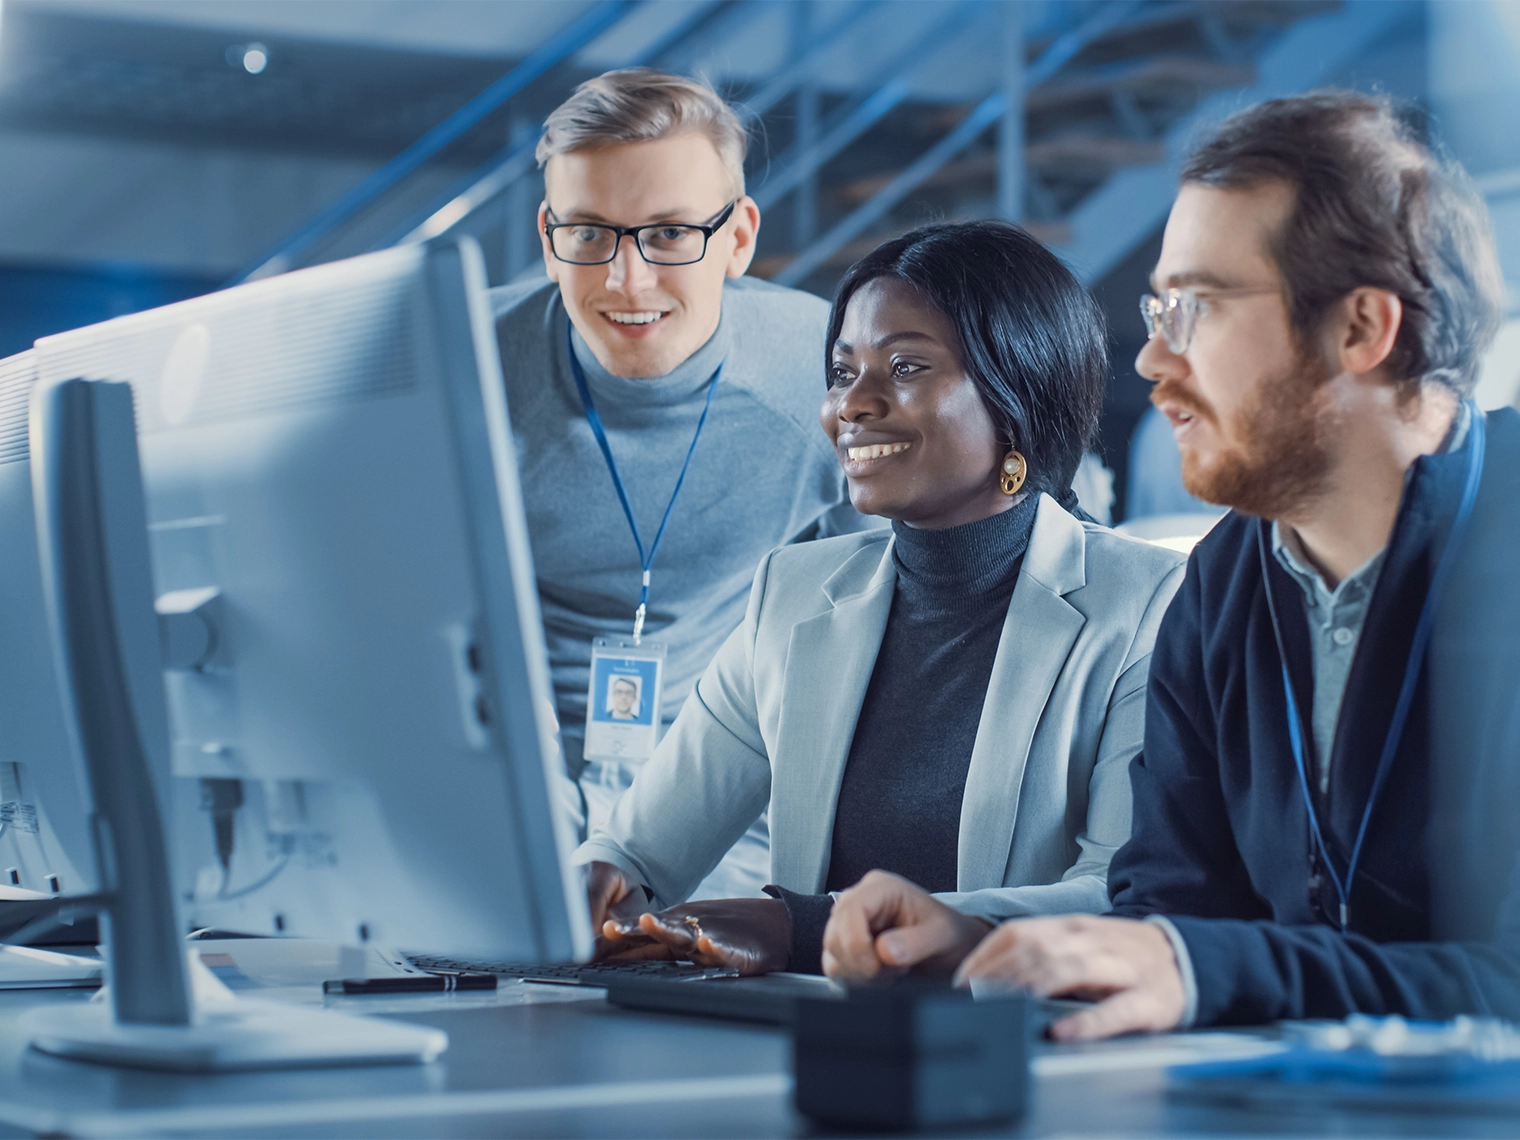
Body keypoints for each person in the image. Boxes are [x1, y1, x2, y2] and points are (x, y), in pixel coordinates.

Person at [820, 91, 1520, 1039]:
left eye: (1194, 307)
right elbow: (1174, 915)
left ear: (1361, 329)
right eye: (1157, 309)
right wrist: (989, 943)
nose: (1150, 358)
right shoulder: (1226, 583)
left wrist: (1199, 965)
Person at [576, 220, 1186, 974]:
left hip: (1019, 1053)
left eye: (905, 366)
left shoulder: (1148, 605)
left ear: (1017, 394)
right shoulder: (792, 595)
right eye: (841, 372)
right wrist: (599, 880)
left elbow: (1120, 897)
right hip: (810, 1046)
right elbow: (640, 849)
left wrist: (803, 927)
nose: (853, 405)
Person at [491, 69, 876, 899]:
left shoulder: (830, 375)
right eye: (589, 233)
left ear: (738, 239)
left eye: (669, 235)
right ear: (547, 231)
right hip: (499, 798)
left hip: (720, 815)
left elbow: (882, 633)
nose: (627, 282)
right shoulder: (459, 367)